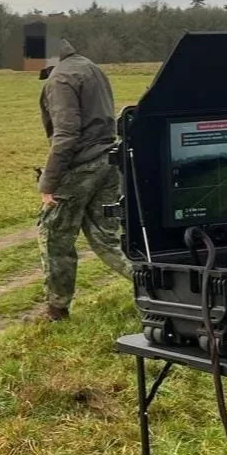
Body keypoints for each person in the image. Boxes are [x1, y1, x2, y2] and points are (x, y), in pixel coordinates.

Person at [36, 38, 130, 321]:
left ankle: (57, 310)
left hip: (80, 167)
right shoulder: (89, 67)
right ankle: (164, 287)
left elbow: (66, 135)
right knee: (108, 240)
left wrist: (48, 183)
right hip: (107, 161)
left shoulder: (61, 79)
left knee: (54, 237)